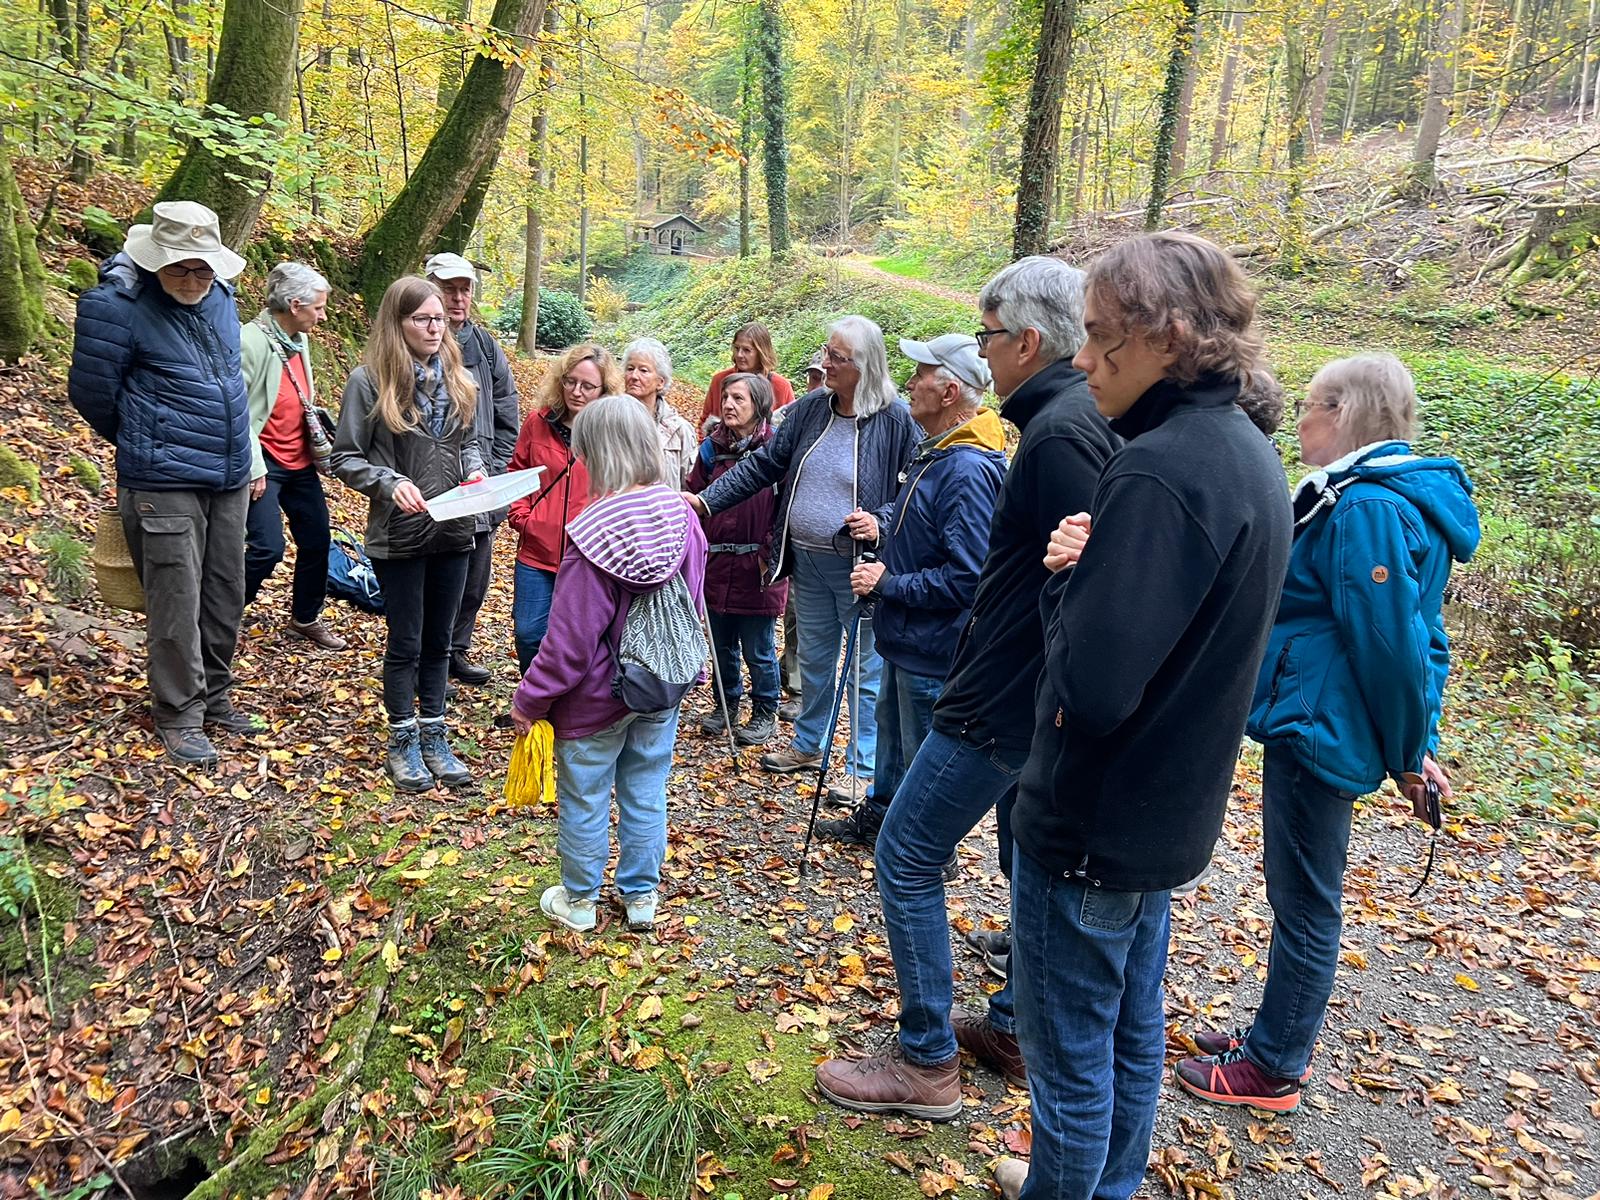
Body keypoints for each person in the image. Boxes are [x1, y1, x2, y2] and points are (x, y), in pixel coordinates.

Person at [986, 232, 1293, 1200]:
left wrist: (1064, 577)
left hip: (1090, 828)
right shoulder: (1245, 453)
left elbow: (1094, 687)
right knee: (1126, 1038)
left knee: (1071, 1066)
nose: (1081, 361)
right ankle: (1105, 1189)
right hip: (1160, 823)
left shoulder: (1160, 470)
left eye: (1099, 339)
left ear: (1167, 338)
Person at [812, 257, 1118, 1120]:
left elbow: (1070, 583)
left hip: (1001, 699)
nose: (983, 355)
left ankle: (925, 1060)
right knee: (1022, 857)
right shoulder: (1059, 423)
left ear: (1025, 340)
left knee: (905, 853)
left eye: (986, 337)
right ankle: (1014, 1027)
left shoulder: (1056, 435)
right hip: (1021, 697)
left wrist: (1034, 689)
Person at [1172, 352, 1478, 1113]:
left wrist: (1411, 751)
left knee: (1305, 901)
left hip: (1322, 727)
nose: (1298, 419)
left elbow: (1393, 645)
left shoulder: (1368, 506)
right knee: (1300, 893)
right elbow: (1417, 634)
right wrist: (1418, 744)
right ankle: (1270, 1038)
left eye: (1311, 404)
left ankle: (1275, 1065)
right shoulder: (1371, 497)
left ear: (1343, 412)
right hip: (1317, 717)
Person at [686, 316, 918, 798]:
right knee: (815, 660)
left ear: (864, 365)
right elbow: (765, 465)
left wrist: (883, 520)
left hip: (859, 567)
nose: (825, 363)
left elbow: (917, 487)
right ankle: (810, 744)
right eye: (826, 353)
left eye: (837, 357)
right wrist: (708, 500)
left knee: (863, 670)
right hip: (804, 559)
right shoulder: (812, 408)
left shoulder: (895, 419)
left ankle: (862, 768)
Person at [68, 200, 259, 768]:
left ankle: (215, 696)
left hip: (227, 473)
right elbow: (93, 395)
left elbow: (229, 380)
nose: (194, 278)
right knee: (176, 600)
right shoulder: (114, 306)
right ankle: (179, 713)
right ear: (154, 260)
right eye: (181, 267)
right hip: (162, 480)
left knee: (225, 592)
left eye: (204, 267)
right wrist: (147, 440)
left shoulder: (220, 297)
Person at [510, 394, 708, 935]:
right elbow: (693, 603)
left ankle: (580, 902)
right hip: (660, 685)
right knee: (646, 789)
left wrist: (530, 699)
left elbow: (570, 642)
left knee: (586, 797)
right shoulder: (682, 515)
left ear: (595, 452)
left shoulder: (593, 530)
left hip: (596, 698)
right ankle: (641, 898)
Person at [815, 334, 1005, 847]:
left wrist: (888, 582)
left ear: (948, 392)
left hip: (934, 644)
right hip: (907, 635)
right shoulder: (938, 454)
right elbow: (918, 526)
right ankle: (880, 819)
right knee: (894, 742)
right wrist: (881, 524)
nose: (909, 383)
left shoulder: (966, 468)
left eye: (920, 374)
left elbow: (967, 576)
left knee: (920, 750)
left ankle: (922, 850)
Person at [332, 276, 485, 793]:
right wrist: (388, 482)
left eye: (439, 318)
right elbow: (345, 457)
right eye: (422, 319)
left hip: (454, 528)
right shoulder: (369, 382)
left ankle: (435, 733)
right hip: (399, 533)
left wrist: (477, 471)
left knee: (441, 641)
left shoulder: (460, 379)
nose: (434, 327)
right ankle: (402, 739)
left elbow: (468, 445)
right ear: (397, 324)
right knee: (407, 640)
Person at [424, 253, 521, 688]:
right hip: (432, 483)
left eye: (464, 289)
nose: (458, 298)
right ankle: (428, 657)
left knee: (475, 578)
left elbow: (507, 412)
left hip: (481, 483)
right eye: (449, 289)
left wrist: (497, 469)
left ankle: (454, 651)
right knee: (433, 577)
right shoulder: (418, 345)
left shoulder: (484, 347)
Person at [241, 261, 347, 651]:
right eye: (318, 308)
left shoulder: (298, 340)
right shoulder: (249, 341)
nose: (322, 315)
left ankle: (305, 617)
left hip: (299, 459)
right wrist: (253, 467)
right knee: (267, 547)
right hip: (263, 460)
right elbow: (238, 413)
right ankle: (225, 611)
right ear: (295, 304)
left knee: (318, 540)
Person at [505, 343, 622, 672]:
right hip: (536, 551)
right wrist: (523, 518)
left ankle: (570, 711)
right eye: (571, 381)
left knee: (580, 637)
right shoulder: (538, 422)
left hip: (586, 556)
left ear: (603, 390)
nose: (577, 392)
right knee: (529, 634)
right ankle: (536, 705)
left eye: (588, 386)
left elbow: (621, 487)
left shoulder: (609, 433)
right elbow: (517, 471)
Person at [686, 373, 789, 747]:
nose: (728, 405)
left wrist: (769, 556)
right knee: (721, 643)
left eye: (738, 399)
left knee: (758, 648)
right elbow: (693, 497)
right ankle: (726, 704)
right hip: (716, 564)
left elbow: (785, 512)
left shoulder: (777, 452)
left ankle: (765, 710)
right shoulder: (711, 450)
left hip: (757, 568)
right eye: (726, 398)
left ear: (759, 406)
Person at [622, 337, 698, 485]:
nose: (634, 376)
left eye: (643, 370)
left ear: (660, 382)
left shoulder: (680, 430)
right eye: (630, 369)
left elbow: (690, 485)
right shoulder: (609, 421)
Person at [697, 323, 796, 432]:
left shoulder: (780, 386)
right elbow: (705, 423)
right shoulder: (720, 380)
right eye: (736, 348)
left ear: (761, 352)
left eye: (746, 350)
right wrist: (707, 446)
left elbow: (791, 426)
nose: (739, 354)